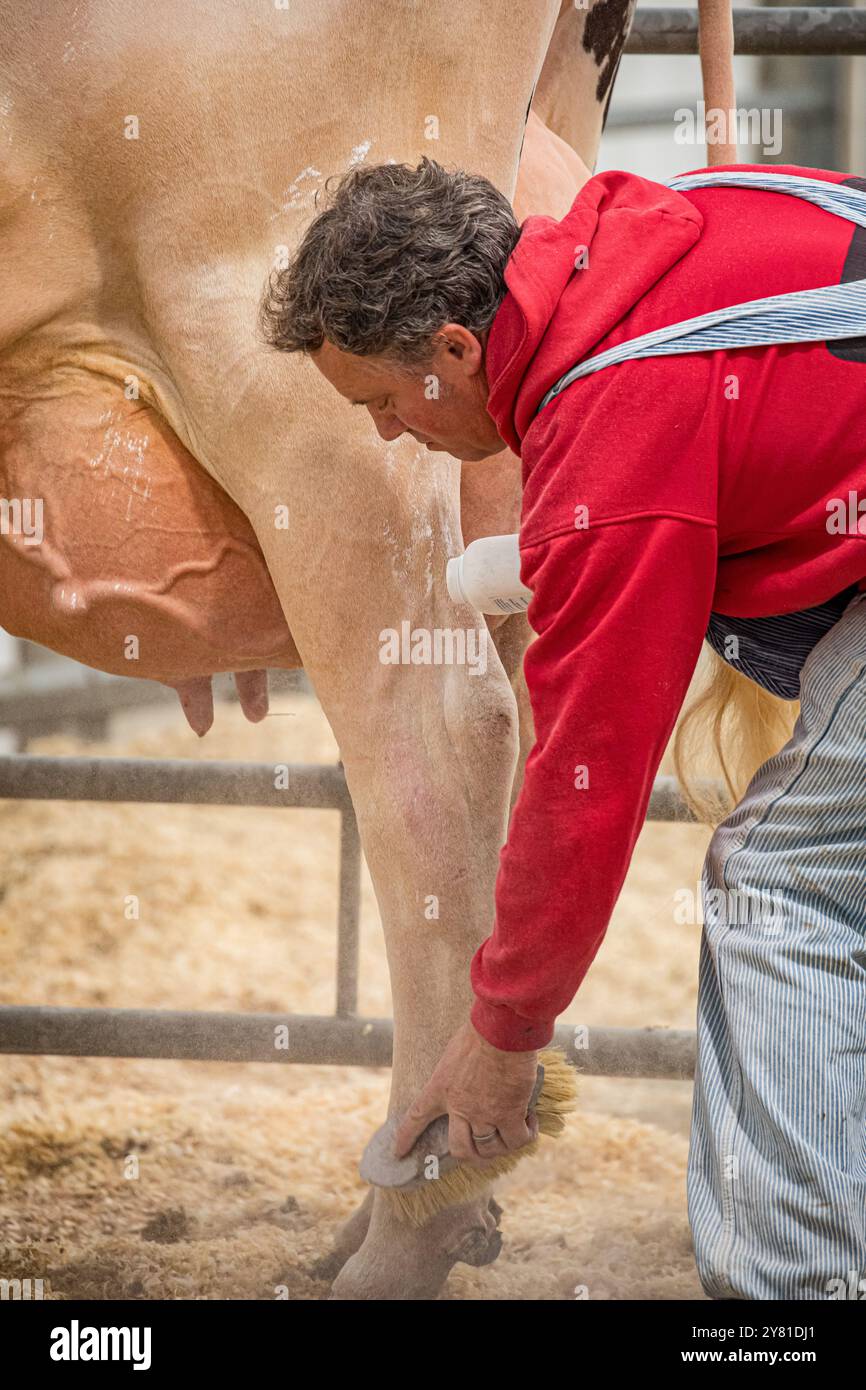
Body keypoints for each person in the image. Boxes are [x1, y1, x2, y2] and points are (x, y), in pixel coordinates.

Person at [259, 155, 866, 1299]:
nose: (389, 436)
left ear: (450, 350)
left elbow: (586, 774)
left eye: (380, 402)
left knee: (784, 883)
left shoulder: (614, 414)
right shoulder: (657, 229)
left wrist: (504, 1030)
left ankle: (794, 1303)